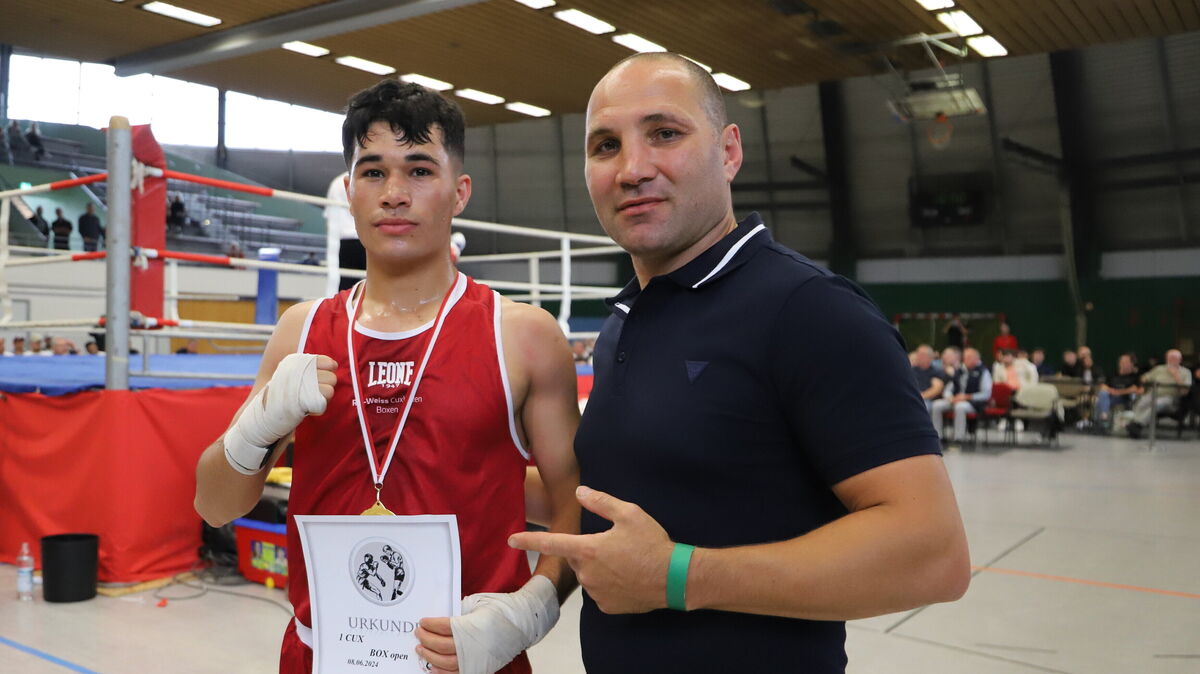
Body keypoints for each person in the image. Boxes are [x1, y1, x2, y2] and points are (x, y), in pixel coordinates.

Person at [508, 53, 968, 673]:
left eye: (664, 134)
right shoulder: (629, 319)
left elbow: (932, 554)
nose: (632, 168)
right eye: (606, 145)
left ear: (729, 152)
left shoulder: (809, 310)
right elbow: (613, 494)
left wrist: (680, 578)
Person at [193, 79, 580, 674]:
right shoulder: (300, 331)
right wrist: (257, 429)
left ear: (460, 191)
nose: (394, 194)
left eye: (420, 170)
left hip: (472, 659)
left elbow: (577, 509)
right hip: (320, 654)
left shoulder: (522, 335)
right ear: (349, 192)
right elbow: (215, 506)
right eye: (373, 172)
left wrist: (532, 609)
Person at [1124, 349, 1193, 438]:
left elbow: (1185, 391)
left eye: (1174, 358)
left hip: (1171, 398)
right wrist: (1144, 381)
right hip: (1153, 394)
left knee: (1156, 403)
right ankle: (1135, 424)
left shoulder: (1185, 372)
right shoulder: (1159, 368)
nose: (1171, 361)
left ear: (1180, 360)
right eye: (1169, 358)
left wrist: (1176, 377)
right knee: (1142, 401)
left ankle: (1137, 425)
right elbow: (1144, 377)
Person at [931, 347, 992, 443]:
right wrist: (950, 397)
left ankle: (959, 438)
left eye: (968, 357)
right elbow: (949, 388)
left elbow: (986, 394)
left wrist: (967, 397)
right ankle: (937, 436)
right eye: (965, 357)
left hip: (973, 403)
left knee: (960, 407)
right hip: (955, 399)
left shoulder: (983, 372)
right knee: (937, 405)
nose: (965, 360)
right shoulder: (960, 370)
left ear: (976, 359)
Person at [1095, 353, 1140, 424]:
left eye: (1125, 362)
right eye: (1121, 362)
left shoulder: (1135, 376)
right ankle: (1104, 417)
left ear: (1131, 364)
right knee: (1102, 394)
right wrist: (1111, 391)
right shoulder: (1113, 373)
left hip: (1125, 399)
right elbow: (1103, 386)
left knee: (1100, 401)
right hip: (1111, 397)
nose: (1122, 364)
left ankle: (1101, 423)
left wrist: (1118, 392)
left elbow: (1134, 389)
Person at [912, 344, 945, 412]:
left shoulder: (936, 371)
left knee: (923, 406)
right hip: (912, 398)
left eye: (921, 355)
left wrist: (919, 397)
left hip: (927, 400)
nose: (918, 356)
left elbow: (937, 388)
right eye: (917, 354)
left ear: (929, 357)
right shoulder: (911, 370)